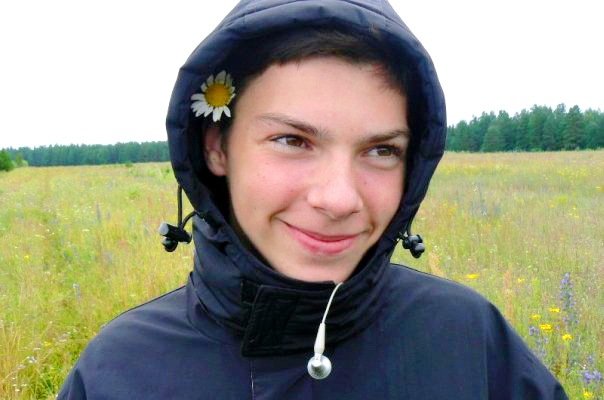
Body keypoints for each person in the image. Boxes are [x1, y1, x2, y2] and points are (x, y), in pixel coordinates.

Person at [59, 0, 568, 398]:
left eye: (382, 150)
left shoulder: (472, 343)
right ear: (217, 147)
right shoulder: (117, 372)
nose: (340, 199)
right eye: (293, 141)